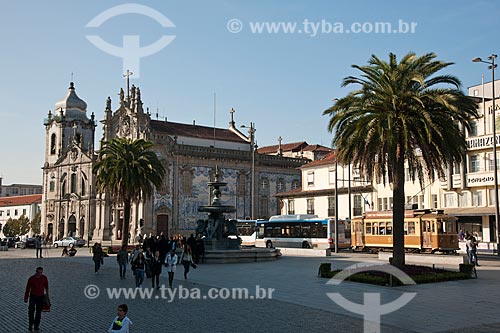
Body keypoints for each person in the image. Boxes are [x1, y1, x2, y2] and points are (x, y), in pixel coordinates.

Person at [24, 266, 49, 332]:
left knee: (38, 312)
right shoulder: (31, 279)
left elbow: (46, 288)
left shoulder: (44, 278)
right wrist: (26, 297)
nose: (39, 274)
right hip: (33, 296)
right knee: (31, 311)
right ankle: (30, 324)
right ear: (36, 272)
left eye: (41, 272)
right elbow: (27, 288)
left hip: (41, 297)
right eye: (38, 272)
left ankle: (36, 326)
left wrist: (47, 298)